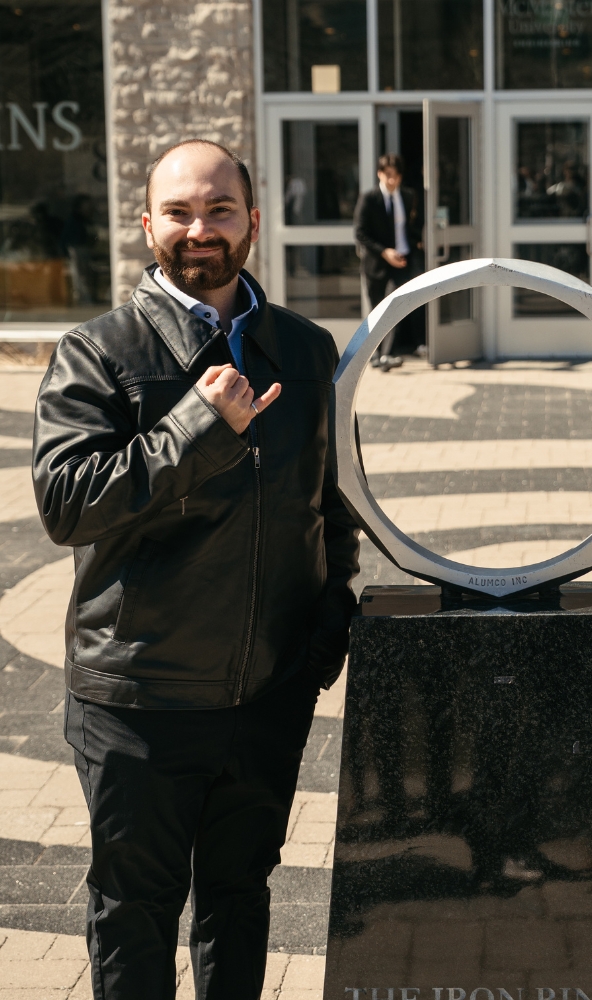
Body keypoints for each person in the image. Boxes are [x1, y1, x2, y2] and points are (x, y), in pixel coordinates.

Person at [32, 139, 360, 1000]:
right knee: (135, 909)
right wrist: (198, 430)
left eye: (219, 209)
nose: (199, 228)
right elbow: (66, 502)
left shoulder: (305, 349)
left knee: (238, 897)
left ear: (253, 221)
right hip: (138, 699)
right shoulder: (97, 351)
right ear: (148, 227)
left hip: (265, 697)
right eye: (178, 211)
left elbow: (334, 505)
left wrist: (324, 630)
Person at [353, 152, 423, 371]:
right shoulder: (369, 198)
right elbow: (360, 233)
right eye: (388, 175)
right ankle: (375, 355)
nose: (392, 180)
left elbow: (412, 227)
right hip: (377, 265)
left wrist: (414, 247)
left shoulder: (408, 196)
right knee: (377, 311)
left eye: (396, 176)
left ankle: (387, 355)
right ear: (380, 174)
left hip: (402, 262)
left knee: (394, 308)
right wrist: (384, 252)